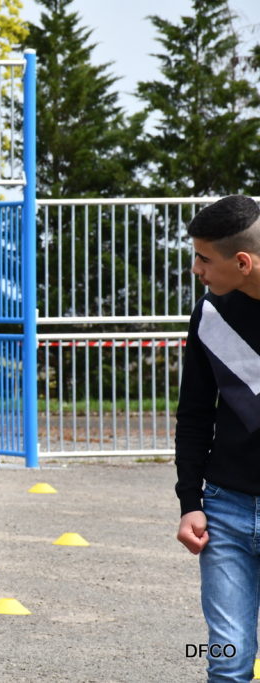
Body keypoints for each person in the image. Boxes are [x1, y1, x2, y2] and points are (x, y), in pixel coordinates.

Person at [175, 195, 260, 681]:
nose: (195, 269)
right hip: (224, 510)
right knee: (228, 660)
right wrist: (191, 501)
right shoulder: (210, 314)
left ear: (242, 262)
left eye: (204, 258)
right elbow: (193, 415)